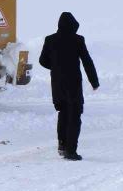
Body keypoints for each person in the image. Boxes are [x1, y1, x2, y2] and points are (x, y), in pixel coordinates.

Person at [39, 12, 100, 161]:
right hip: (73, 84)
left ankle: (62, 145)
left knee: (63, 113)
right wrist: (94, 81)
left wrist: (56, 67)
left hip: (57, 83)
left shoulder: (50, 39)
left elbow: (42, 60)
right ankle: (71, 151)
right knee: (75, 115)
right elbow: (87, 61)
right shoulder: (78, 40)